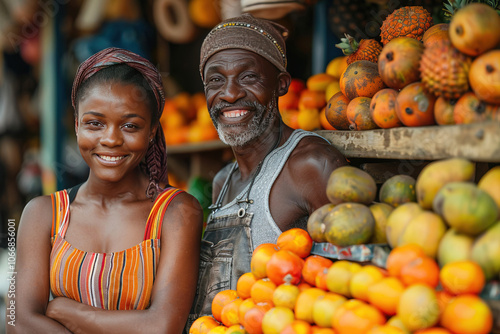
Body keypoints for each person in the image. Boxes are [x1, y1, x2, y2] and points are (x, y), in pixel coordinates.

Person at [9, 48, 203, 334]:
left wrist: (70, 312)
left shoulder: (177, 213)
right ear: (76, 125)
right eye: (95, 123)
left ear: (151, 132)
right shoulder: (43, 214)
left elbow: (162, 327)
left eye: (130, 125)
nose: (111, 139)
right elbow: (17, 321)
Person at [187, 13, 347, 326]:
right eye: (216, 80)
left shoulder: (311, 165)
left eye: (248, 77)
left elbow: (347, 286)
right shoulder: (222, 181)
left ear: (282, 84)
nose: (230, 93)